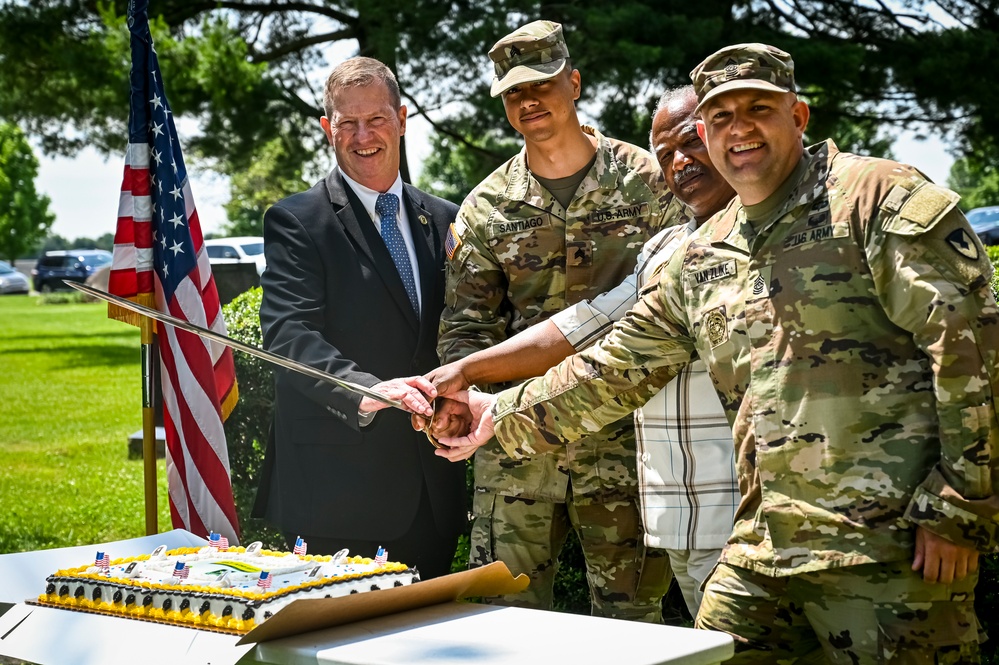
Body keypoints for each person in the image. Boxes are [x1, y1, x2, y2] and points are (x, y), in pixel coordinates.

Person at [439, 43, 999, 662]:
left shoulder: (874, 199)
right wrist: (497, 415)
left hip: (886, 546)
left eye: (758, 108)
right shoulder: (703, 252)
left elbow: (971, 345)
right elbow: (616, 366)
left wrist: (960, 506)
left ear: (799, 116)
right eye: (722, 117)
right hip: (760, 545)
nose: (740, 129)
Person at [423, 85, 737, 616]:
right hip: (536, 454)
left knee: (634, 628)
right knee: (502, 622)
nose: (680, 164)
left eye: (693, 143)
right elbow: (583, 326)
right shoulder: (669, 251)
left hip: (670, 473)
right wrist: (459, 381)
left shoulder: (653, 185)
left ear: (573, 82)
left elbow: (613, 353)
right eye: (668, 155)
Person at [253, 56, 466, 580]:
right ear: (328, 129)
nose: (362, 135)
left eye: (376, 119)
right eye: (347, 122)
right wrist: (366, 390)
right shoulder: (297, 221)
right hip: (336, 495)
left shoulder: (443, 217)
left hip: (431, 487)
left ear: (402, 119)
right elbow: (287, 332)